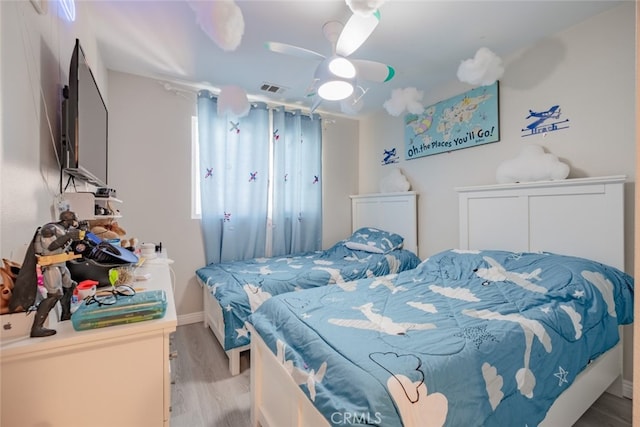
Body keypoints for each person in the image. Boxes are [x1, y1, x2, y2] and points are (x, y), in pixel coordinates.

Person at [30, 210, 85, 337]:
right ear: (67, 220)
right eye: (73, 220)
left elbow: (64, 246)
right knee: (54, 295)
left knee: (70, 286)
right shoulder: (49, 229)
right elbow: (51, 247)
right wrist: (69, 236)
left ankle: (66, 314)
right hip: (51, 266)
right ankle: (37, 327)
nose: (75, 223)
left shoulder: (63, 229)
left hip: (61, 263)